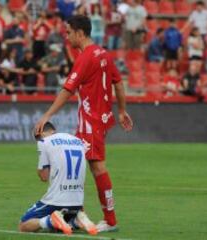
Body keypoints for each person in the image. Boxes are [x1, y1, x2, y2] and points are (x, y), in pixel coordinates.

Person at [34, 15, 133, 232]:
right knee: (80, 165)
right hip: (101, 118)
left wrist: (46, 116)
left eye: (69, 32)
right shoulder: (103, 53)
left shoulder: (86, 58)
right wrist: (122, 110)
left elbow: (67, 90)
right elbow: (118, 82)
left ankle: (108, 219)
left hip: (92, 121)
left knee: (95, 167)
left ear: (80, 33)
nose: (66, 36)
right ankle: (76, 213)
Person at [19, 122, 97, 236]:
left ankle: (50, 220)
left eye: (38, 136)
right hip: (77, 201)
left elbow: (44, 176)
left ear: (42, 132)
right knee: (59, 227)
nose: (38, 139)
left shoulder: (44, 142)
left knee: (23, 225)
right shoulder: (78, 141)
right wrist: (80, 207)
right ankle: (77, 221)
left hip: (56, 200)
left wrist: (40, 169)